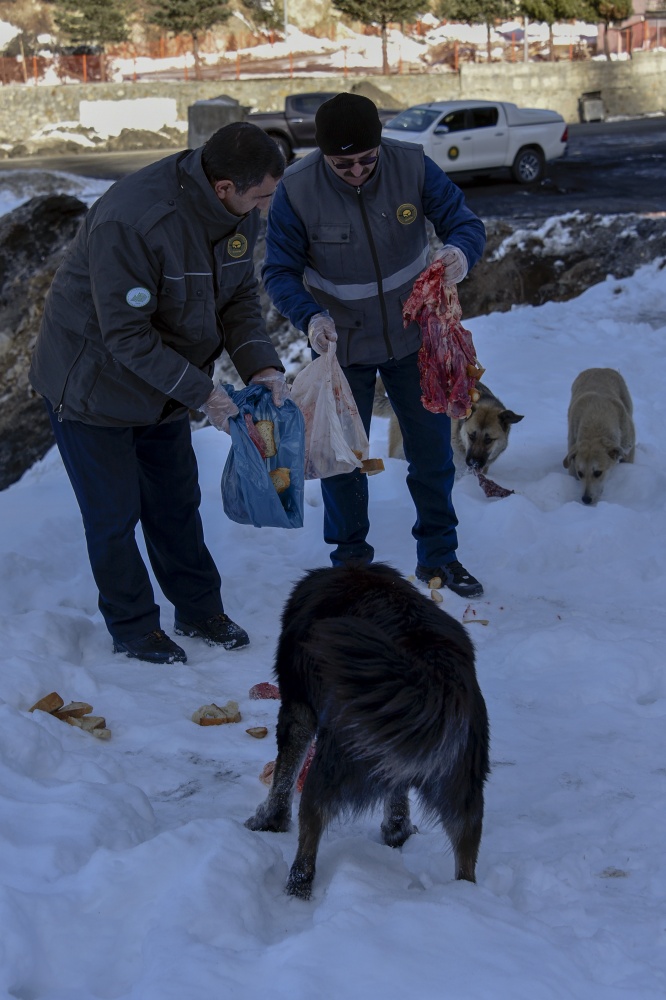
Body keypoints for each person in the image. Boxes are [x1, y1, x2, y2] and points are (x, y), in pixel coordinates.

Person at [29, 122, 288, 663]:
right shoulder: (136, 220)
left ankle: (198, 610)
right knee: (114, 515)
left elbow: (238, 298)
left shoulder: (240, 213)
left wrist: (261, 366)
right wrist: (207, 395)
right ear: (224, 188)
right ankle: (132, 627)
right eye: (262, 196)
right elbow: (125, 334)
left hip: (165, 384)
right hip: (93, 387)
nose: (268, 206)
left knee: (175, 504)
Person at [262, 92, 487, 598]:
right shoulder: (296, 190)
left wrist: (459, 254)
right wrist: (311, 316)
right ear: (323, 156)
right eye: (344, 164)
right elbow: (278, 271)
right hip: (343, 350)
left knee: (432, 458)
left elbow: (465, 223)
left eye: (368, 158)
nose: (359, 170)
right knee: (344, 463)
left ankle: (440, 558)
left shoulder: (411, 164)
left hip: (415, 342)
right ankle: (352, 569)